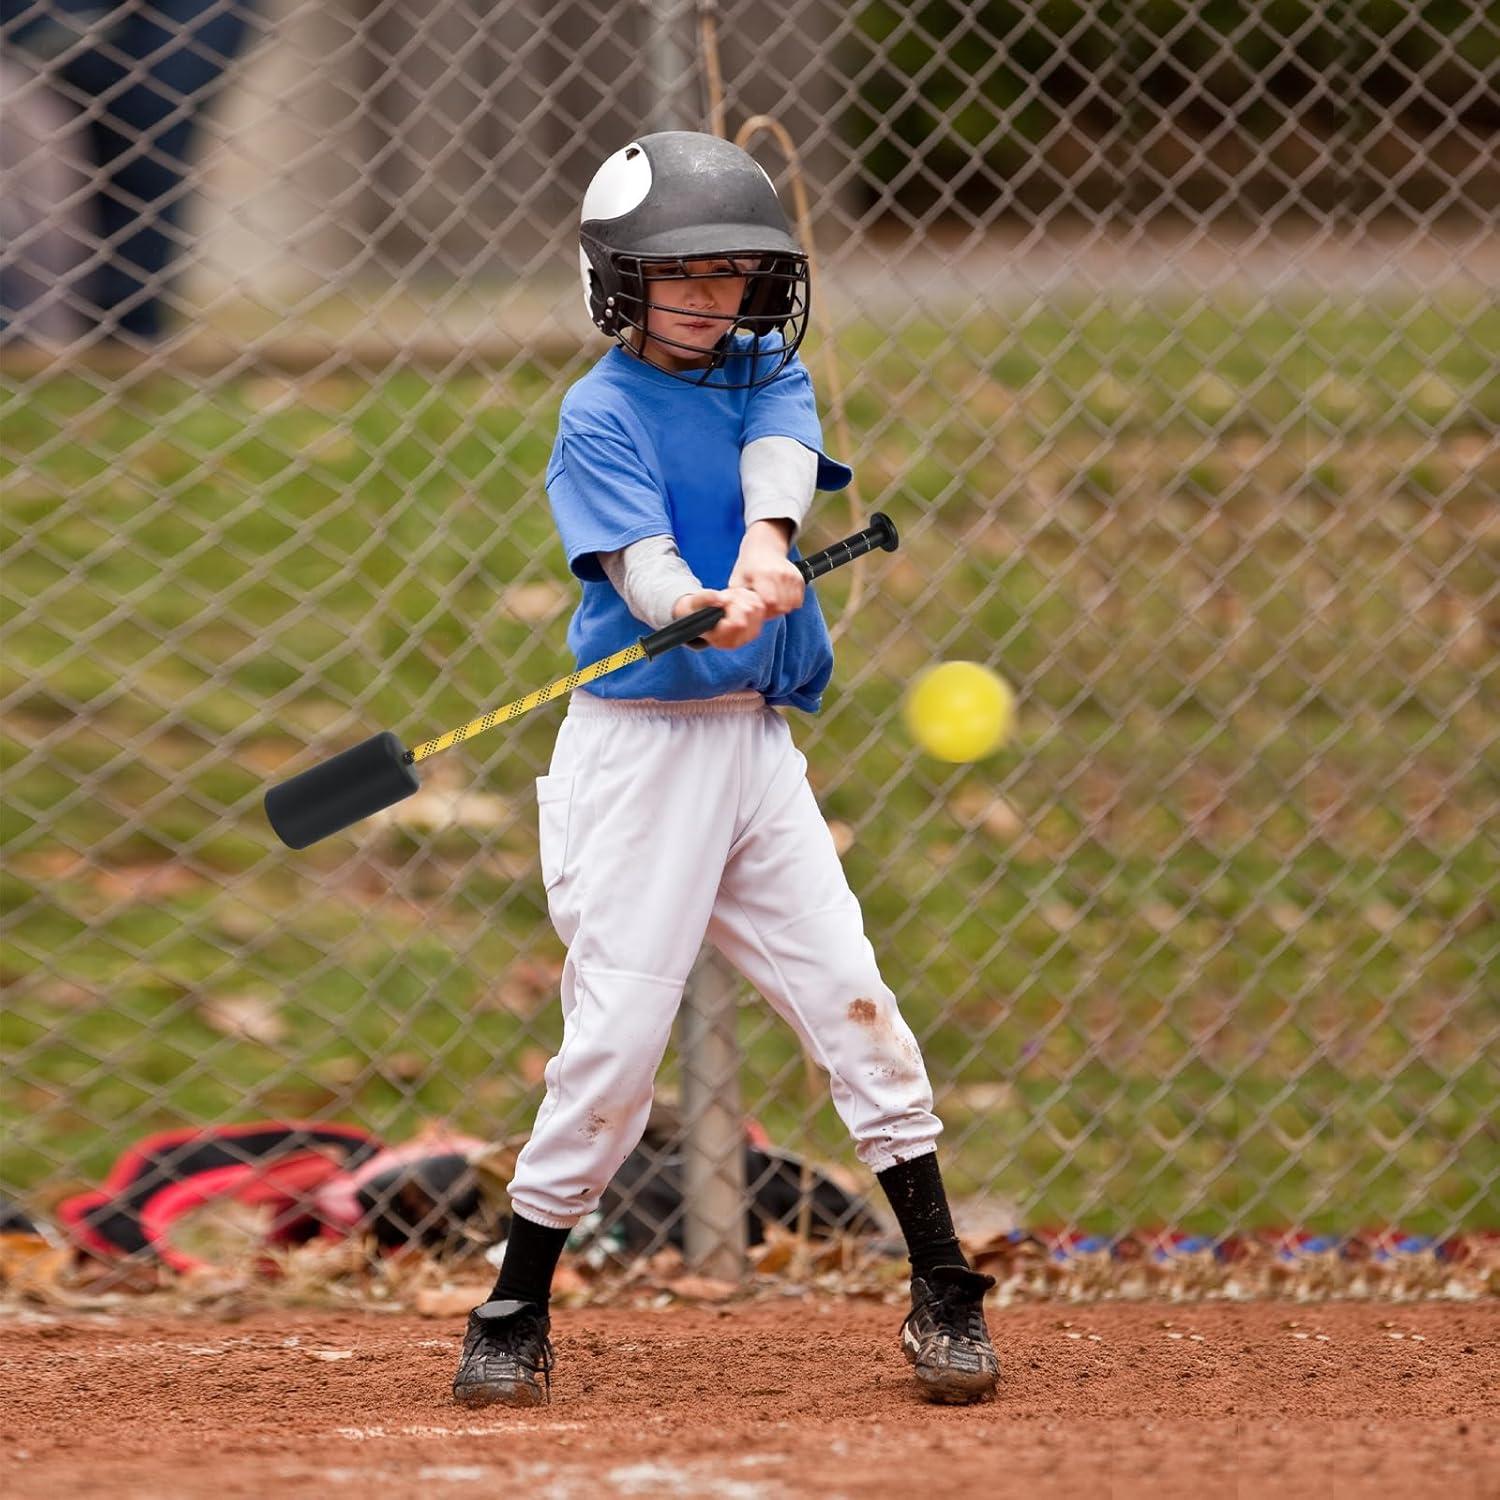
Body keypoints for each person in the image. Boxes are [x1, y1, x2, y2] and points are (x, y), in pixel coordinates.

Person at [451, 130, 999, 1409]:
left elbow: (776, 470)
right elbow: (635, 565)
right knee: (617, 1048)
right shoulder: (598, 412)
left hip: (756, 750)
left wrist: (763, 556)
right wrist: (686, 596)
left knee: (857, 1003)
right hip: (638, 759)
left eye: (738, 275)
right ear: (616, 281)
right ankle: (514, 1305)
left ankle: (944, 1289)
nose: (714, 299)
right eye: (682, 276)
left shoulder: (769, 374)